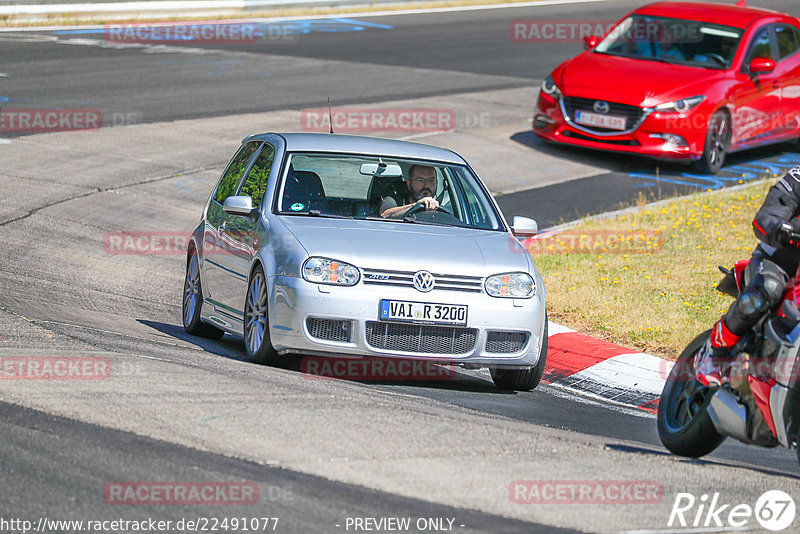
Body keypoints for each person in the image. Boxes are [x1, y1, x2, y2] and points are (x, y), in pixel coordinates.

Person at [696, 166, 800, 386]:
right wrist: (780, 229)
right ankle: (715, 353)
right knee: (766, 291)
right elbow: (769, 212)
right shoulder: (798, 177)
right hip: (779, 261)